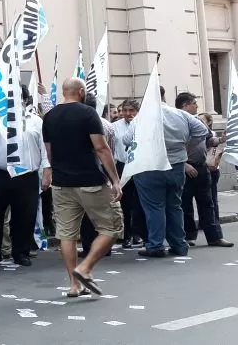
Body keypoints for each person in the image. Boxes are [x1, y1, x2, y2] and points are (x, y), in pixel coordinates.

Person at [42, 78, 122, 296]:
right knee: (112, 227)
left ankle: (73, 285)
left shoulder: (49, 117)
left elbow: (49, 153)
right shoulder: (88, 113)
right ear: (81, 91)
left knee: (67, 234)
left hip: (62, 183)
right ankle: (85, 268)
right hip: (90, 181)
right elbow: (102, 148)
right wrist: (115, 180)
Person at [134, 87, 210, 258]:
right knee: (174, 206)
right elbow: (202, 131)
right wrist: (186, 148)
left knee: (154, 207)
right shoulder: (180, 114)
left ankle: (155, 245)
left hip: (151, 166)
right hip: (175, 165)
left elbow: (127, 138)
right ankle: (179, 244)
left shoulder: (143, 116)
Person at [0, 84, 45, 267]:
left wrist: (47, 170)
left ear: (24, 100)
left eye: (17, 98)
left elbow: (45, 149)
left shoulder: (36, 121)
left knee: (24, 216)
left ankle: (21, 252)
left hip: (26, 175)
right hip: (0, 174)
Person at [175, 93, 232, 247]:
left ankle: (214, 236)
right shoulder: (175, 122)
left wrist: (220, 140)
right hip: (184, 167)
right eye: (194, 103)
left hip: (201, 167)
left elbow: (208, 140)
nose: (197, 106)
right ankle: (189, 236)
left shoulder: (199, 122)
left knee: (208, 203)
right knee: (185, 204)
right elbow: (172, 147)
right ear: (185, 105)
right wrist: (184, 164)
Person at [111, 99, 146, 248]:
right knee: (124, 202)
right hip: (121, 166)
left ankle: (139, 233)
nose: (128, 113)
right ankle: (126, 235)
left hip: (138, 165)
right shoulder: (114, 127)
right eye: (125, 110)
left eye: (131, 110)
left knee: (139, 202)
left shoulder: (142, 124)